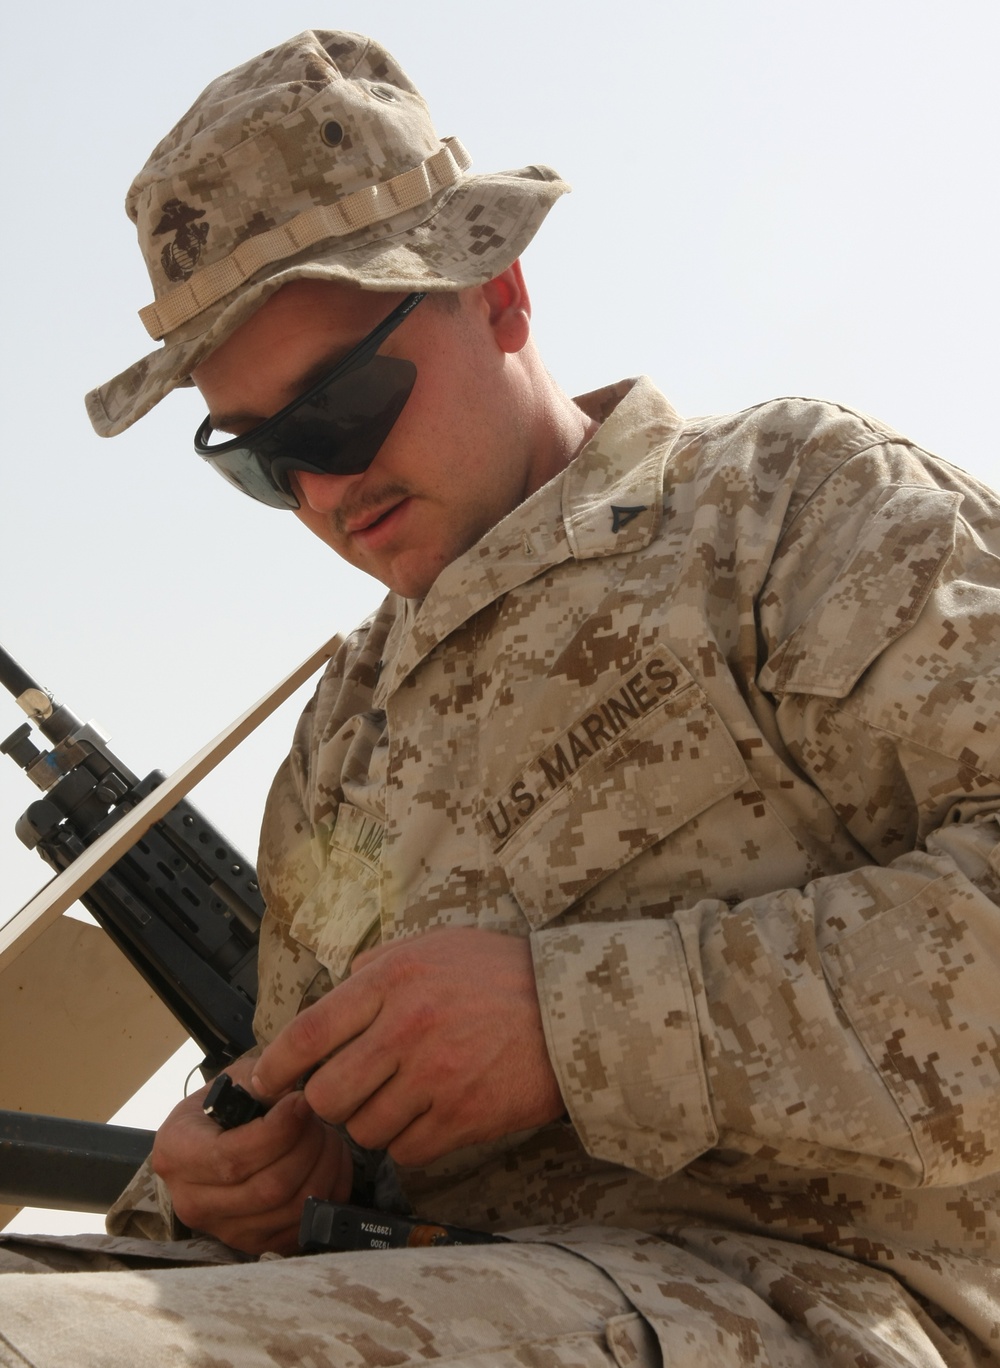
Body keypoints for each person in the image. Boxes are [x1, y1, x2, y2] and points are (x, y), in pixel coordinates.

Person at [1, 27, 998, 1368]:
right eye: (263, 461)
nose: (324, 496)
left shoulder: (790, 510)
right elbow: (287, 1137)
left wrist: (574, 1026)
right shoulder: (338, 744)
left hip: (810, 1298)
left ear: (500, 293)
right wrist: (211, 1190)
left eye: (342, 412)